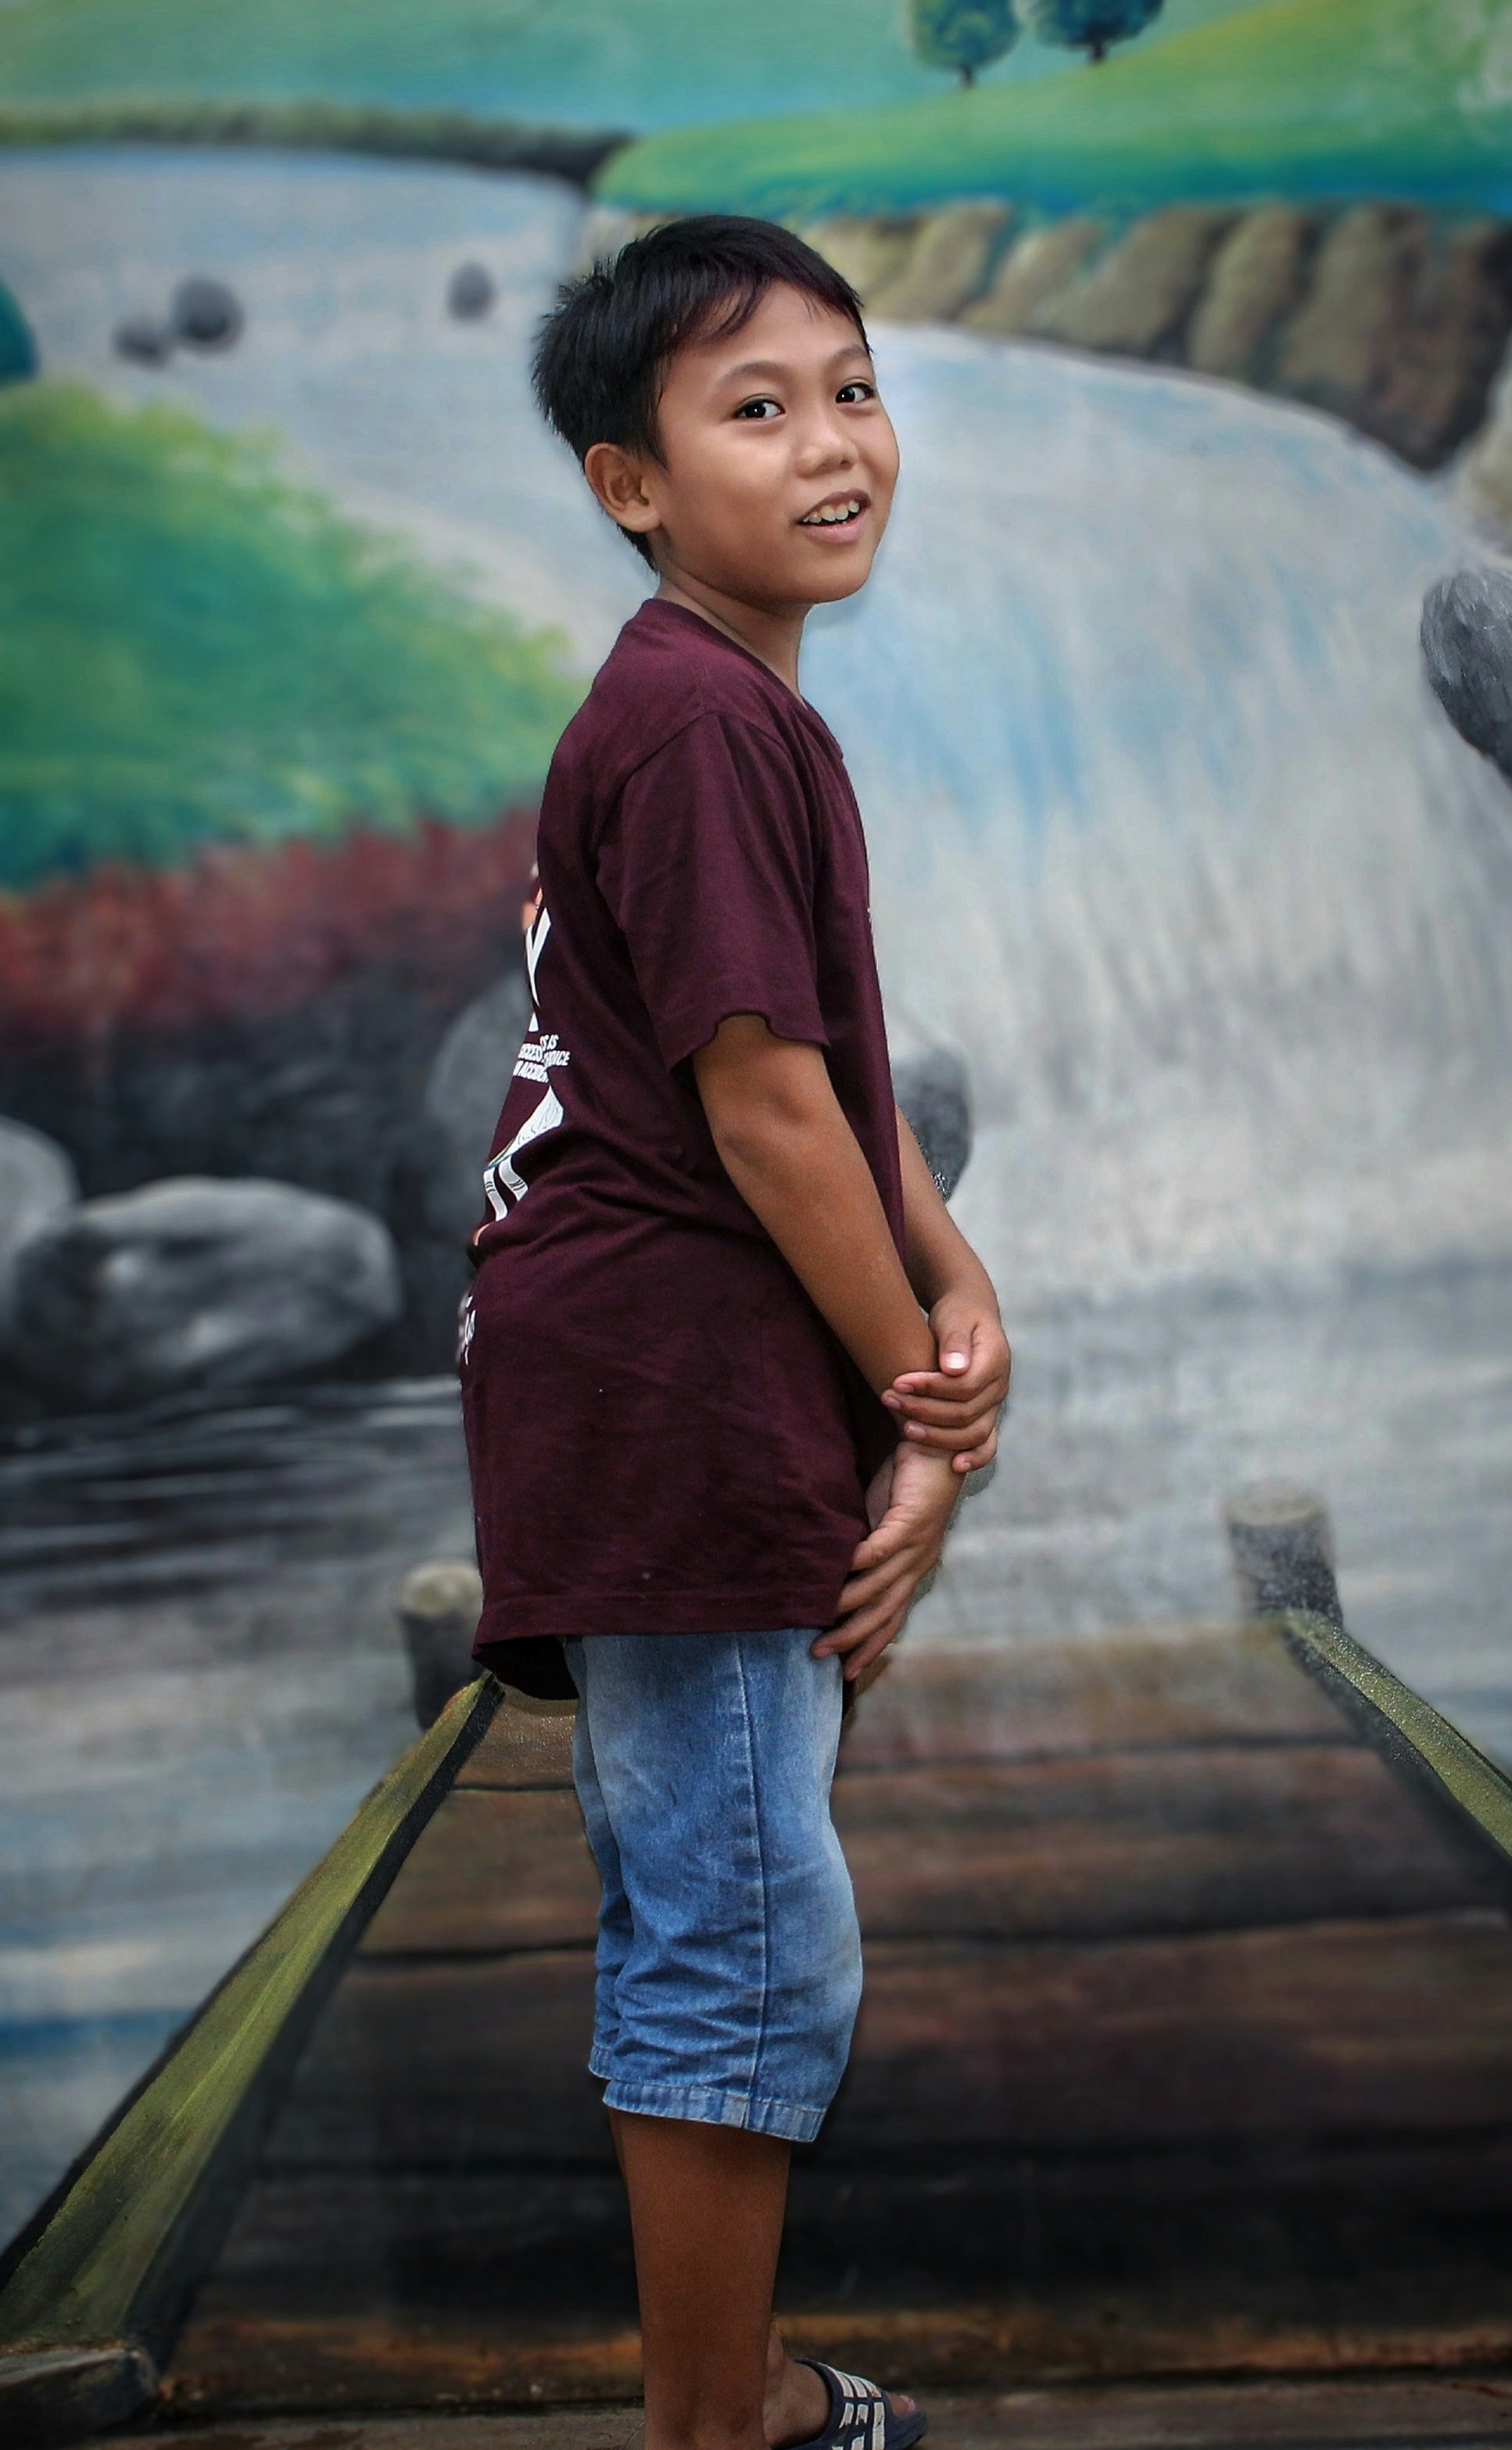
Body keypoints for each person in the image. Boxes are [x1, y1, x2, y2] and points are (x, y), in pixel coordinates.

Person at [460, 215, 1009, 2450]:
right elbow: (761, 1105)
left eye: (854, 389)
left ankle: (740, 2399)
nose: (832, 446)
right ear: (632, 481)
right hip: (676, 1398)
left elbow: (831, 1084)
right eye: (755, 409)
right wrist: (929, 1418)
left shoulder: (728, 706)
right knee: (740, 1929)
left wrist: (964, 1292)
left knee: (729, 1898)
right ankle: (721, 2432)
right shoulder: (697, 718)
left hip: (656, 1387)